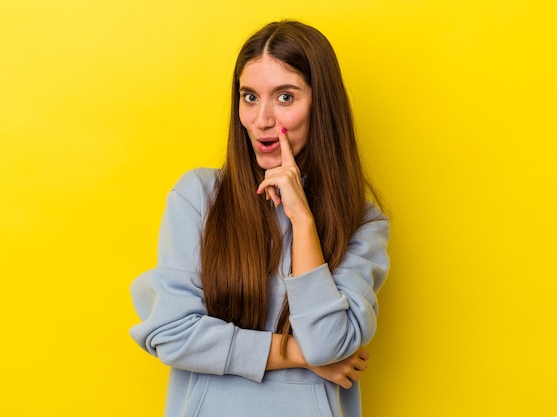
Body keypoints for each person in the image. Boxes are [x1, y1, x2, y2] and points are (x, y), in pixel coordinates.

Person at [129, 20, 390, 417]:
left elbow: (327, 343)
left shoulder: (363, 222)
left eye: (285, 97)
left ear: (322, 106)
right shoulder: (199, 197)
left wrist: (302, 220)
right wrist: (295, 354)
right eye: (249, 97)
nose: (261, 119)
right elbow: (171, 332)